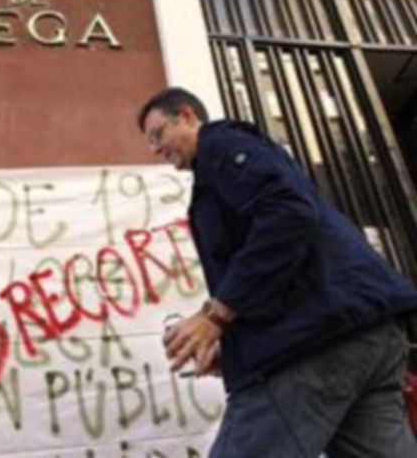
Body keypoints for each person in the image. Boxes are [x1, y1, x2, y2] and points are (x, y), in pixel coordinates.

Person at [136, 87, 417, 457]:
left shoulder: (221, 145)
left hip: (312, 343)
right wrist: (235, 347)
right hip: (365, 336)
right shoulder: (225, 166)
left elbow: (288, 215)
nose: (156, 149)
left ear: (187, 116)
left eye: (158, 135)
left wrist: (217, 314)